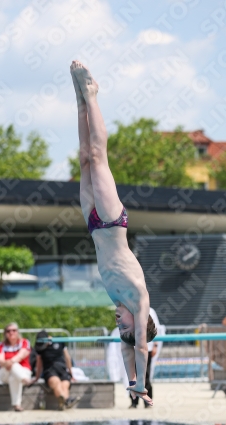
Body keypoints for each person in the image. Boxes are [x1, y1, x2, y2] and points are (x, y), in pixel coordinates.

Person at [70, 60, 157, 406]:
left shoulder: (116, 300)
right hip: (110, 220)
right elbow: (138, 346)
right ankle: (93, 94)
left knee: (83, 158)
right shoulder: (139, 302)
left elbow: (125, 351)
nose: (116, 320)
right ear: (136, 322)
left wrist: (132, 382)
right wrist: (141, 381)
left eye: (117, 325)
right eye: (123, 325)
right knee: (98, 155)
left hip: (93, 224)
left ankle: (79, 101)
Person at [32, 330, 79, 411]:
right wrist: (37, 377)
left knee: (65, 384)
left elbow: (67, 358)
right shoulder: (40, 347)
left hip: (61, 368)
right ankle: (67, 400)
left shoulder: (59, 341)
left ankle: (63, 401)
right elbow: (39, 363)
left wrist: (71, 374)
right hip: (49, 370)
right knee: (56, 382)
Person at [0, 322, 32, 411]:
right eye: (8, 331)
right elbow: (0, 360)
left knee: (13, 377)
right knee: (14, 366)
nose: (11, 333)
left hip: (23, 370)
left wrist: (10, 362)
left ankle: (17, 405)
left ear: (17, 332)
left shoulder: (24, 342)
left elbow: (21, 355)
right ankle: (25, 380)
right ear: (5, 333)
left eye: (14, 330)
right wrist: (9, 363)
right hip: (5, 372)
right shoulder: (1, 345)